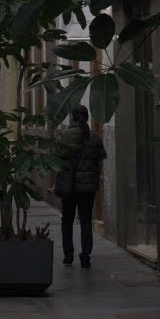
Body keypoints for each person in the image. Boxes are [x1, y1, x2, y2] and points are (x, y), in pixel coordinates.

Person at [57, 104, 107, 268]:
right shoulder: (95, 137)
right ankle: (85, 256)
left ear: (72, 117)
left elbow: (57, 160)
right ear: (87, 117)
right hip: (87, 188)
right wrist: (95, 180)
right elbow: (100, 160)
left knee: (67, 220)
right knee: (86, 221)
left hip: (69, 187)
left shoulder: (64, 136)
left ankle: (68, 255)